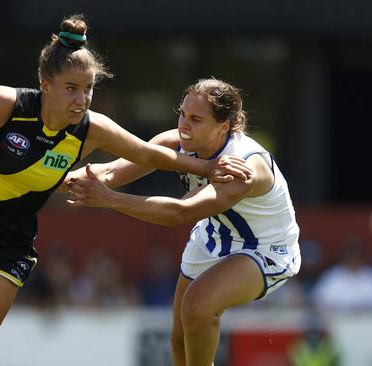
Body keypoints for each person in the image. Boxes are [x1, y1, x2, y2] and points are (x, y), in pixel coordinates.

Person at [0, 15, 252, 366]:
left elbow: (146, 153)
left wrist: (207, 168)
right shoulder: (9, 105)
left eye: (88, 89)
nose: (82, 99)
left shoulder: (90, 128)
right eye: (71, 88)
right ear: (45, 85)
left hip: (7, 243)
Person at [66, 78, 301, 366]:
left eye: (196, 119)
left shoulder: (243, 167)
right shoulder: (175, 142)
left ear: (224, 126)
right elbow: (110, 173)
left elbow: (180, 213)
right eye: (183, 114)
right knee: (179, 339)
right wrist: (39, 176)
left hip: (265, 249)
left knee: (197, 306)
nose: (184, 125)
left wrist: (110, 200)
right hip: (215, 234)